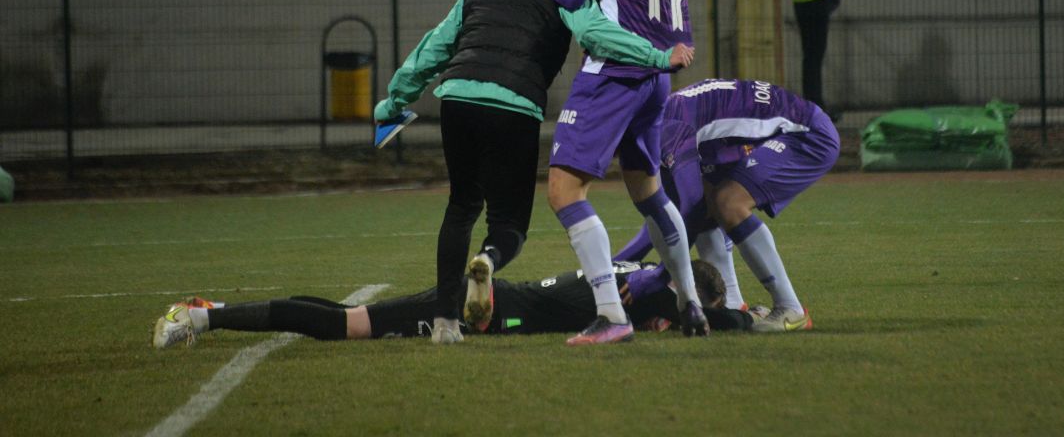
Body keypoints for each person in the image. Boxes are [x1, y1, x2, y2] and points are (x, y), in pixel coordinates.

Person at [374, 0, 694, 346]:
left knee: (461, 206)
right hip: (515, 105)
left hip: (457, 97)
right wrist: (656, 55)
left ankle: (445, 323)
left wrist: (394, 101)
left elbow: (433, 47)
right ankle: (488, 258)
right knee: (509, 224)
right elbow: (595, 34)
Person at [509, 0, 707, 345]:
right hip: (657, 78)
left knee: (563, 190)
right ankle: (691, 303)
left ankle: (612, 315)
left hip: (613, 73)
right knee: (649, 192)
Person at [613, 79, 840, 332]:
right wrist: (618, 264)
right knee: (711, 202)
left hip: (808, 134)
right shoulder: (660, 119)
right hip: (781, 129)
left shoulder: (667, 130)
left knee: (728, 203)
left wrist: (658, 276)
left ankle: (791, 308)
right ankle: (733, 306)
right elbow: (668, 213)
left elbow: (689, 209)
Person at [151, 260, 751, 349]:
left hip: (517, 297)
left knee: (343, 316)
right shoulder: (654, 288)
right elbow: (716, 318)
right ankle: (200, 316)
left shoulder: (631, 270)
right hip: (504, 310)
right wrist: (740, 316)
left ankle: (214, 305)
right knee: (343, 326)